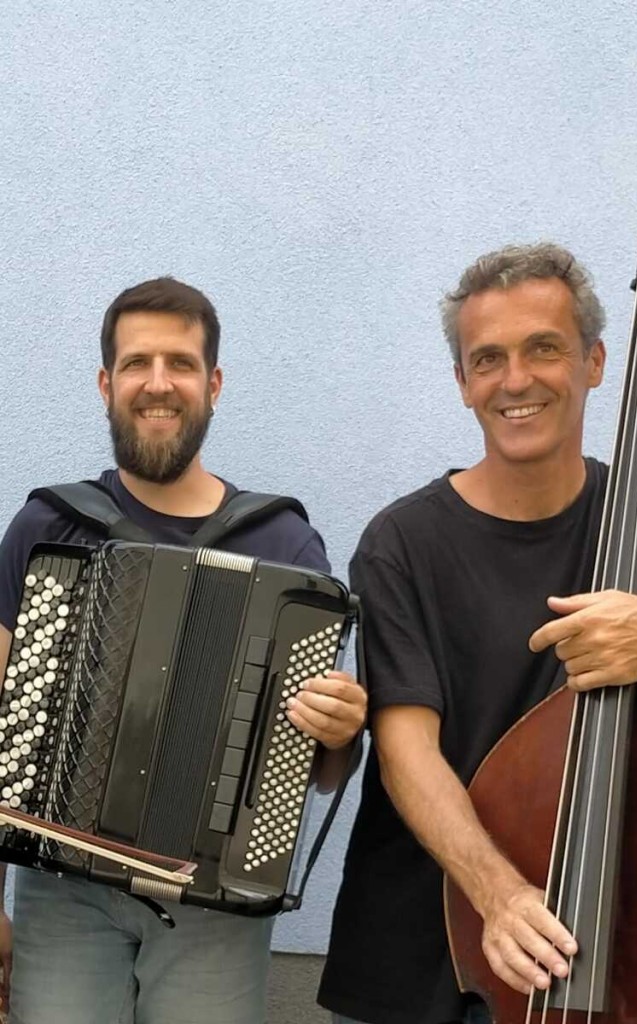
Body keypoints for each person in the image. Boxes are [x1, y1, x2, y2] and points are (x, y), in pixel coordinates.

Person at [318, 242, 637, 1024]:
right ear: (462, 383)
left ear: (595, 362)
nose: (515, 380)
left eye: (543, 348)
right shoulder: (401, 542)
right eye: (488, 359)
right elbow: (407, 751)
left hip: (626, 958)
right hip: (419, 961)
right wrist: (500, 896)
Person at [0, 276, 367, 1024]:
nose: (158, 383)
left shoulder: (284, 544)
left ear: (213, 385)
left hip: (213, 904)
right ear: (106, 383)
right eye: (137, 362)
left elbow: (321, 771)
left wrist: (340, 732)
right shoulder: (48, 526)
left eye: (181, 363)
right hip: (62, 892)